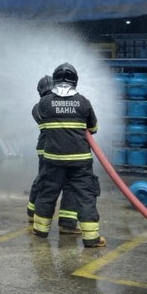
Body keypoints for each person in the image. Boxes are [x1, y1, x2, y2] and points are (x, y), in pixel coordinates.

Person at [31, 62, 105, 248]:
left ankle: (40, 230)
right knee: (85, 196)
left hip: (53, 160)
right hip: (80, 162)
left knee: (47, 193)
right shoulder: (84, 102)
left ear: (55, 79)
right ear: (75, 80)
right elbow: (93, 129)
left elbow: (39, 119)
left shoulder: (44, 104)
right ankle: (91, 238)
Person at [28, 75, 80, 234]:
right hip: (59, 149)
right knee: (69, 183)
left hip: (45, 149)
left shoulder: (38, 107)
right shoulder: (50, 105)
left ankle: (32, 212)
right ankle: (67, 223)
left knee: (42, 180)